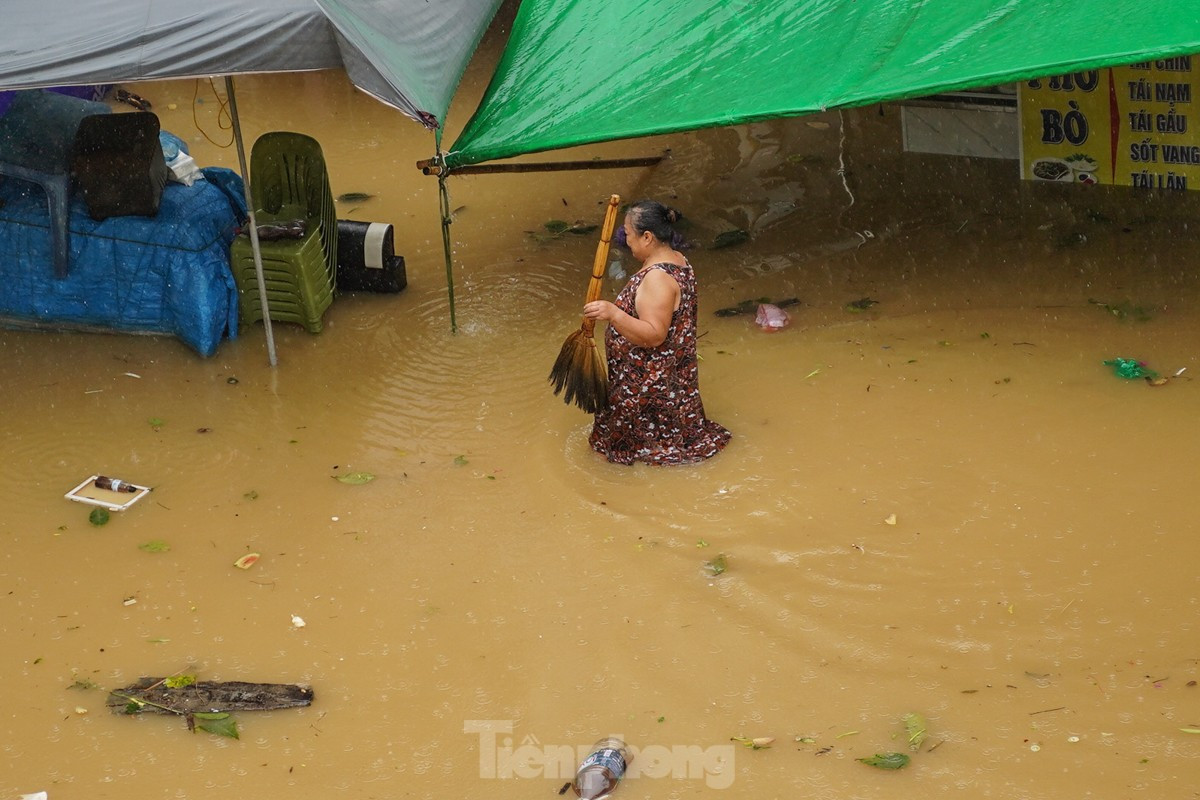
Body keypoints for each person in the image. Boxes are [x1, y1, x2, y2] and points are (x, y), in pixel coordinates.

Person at [583, 200, 731, 465]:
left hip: (647, 384)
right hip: (671, 377)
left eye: (628, 234)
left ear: (647, 237)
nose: (626, 241)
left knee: (619, 456)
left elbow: (654, 335)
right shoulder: (678, 259)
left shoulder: (657, 278)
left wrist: (613, 313)